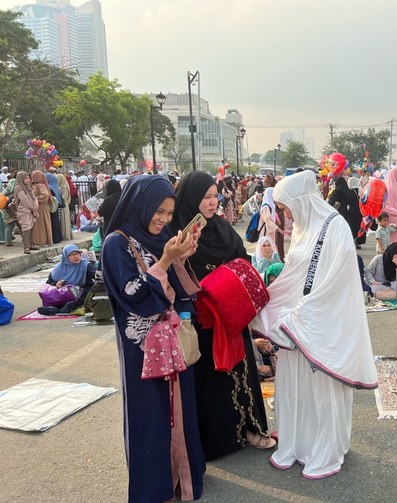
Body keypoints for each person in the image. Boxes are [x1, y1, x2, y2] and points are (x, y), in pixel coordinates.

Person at [252, 170, 378, 479]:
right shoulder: (303, 228)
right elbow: (293, 276)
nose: (284, 215)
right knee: (295, 389)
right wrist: (266, 302)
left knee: (322, 391)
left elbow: (337, 283)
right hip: (297, 323)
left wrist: (301, 317)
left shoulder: (335, 227)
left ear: (300, 201)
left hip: (321, 325)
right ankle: (298, 445)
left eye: (284, 207)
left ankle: (324, 447)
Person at [101, 175, 205, 503]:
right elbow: (133, 294)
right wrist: (164, 261)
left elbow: (178, 287)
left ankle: (182, 479)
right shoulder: (116, 244)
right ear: (139, 204)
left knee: (180, 409)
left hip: (171, 337)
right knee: (151, 413)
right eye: (157, 211)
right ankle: (153, 488)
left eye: (169, 214)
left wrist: (181, 255)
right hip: (142, 346)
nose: (162, 219)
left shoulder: (158, 240)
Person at [170, 170, 274, 461]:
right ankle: (216, 441)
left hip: (232, 313)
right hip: (204, 321)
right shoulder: (179, 234)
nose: (213, 202)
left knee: (242, 373)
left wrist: (230, 277)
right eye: (206, 197)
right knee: (213, 382)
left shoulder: (222, 228)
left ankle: (249, 430)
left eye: (215, 196)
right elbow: (177, 276)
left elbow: (243, 257)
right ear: (192, 199)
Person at [37, 245, 96, 315]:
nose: (75, 256)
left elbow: (97, 276)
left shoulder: (85, 265)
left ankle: (67, 307)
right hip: (65, 293)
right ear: (66, 257)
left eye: (77, 254)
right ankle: (54, 308)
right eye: (71, 255)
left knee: (85, 294)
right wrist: (57, 283)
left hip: (81, 291)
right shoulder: (60, 268)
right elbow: (49, 282)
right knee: (56, 297)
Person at [14, 171, 39, 254]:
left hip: (32, 210)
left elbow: (34, 197)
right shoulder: (18, 188)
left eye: (28, 178)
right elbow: (24, 199)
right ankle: (26, 246)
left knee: (32, 227)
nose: (28, 180)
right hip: (24, 211)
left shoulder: (28, 187)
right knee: (26, 228)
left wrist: (35, 205)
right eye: (26, 178)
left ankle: (32, 244)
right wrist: (32, 207)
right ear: (21, 179)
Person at [30, 170, 53, 246]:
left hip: (40, 208)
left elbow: (45, 195)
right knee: (40, 225)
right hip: (40, 207)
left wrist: (36, 199)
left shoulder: (40, 185)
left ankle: (41, 241)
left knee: (41, 226)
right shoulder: (38, 185)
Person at [56, 174, 73, 240]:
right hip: (63, 205)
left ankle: (66, 235)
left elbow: (64, 197)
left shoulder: (64, 187)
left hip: (64, 206)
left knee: (64, 220)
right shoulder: (61, 186)